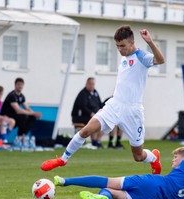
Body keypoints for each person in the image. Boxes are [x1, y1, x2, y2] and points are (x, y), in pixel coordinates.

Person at [41, 25, 165, 173]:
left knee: (138, 156)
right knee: (86, 130)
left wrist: (150, 42)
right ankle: (62, 159)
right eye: (117, 46)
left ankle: (153, 158)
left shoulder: (141, 57)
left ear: (132, 43)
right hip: (114, 105)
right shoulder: (123, 59)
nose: (120, 49)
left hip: (133, 111)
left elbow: (161, 60)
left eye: (122, 46)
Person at [53, 147, 184, 199]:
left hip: (152, 184)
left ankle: (65, 181)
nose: (173, 160)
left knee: (108, 181)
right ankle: (104, 198)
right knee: (109, 191)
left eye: (175, 157)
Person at [0, 77, 41, 144]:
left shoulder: (22, 96)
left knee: (32, 117)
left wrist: (34, 114)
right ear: (15, 85)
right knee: (23, 116)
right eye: (18, 84)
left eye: (21, 85)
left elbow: (27, 108)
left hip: (15, 116)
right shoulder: (12, 95)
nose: (20, 86)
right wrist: (33, 113)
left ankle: (23, 136)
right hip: (8, 115)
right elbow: (18, 110)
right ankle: (19, 137)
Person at [71, 77, 104, 148]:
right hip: (80, 117)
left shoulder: (95, 92)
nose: (91, 86)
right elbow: (83, 107)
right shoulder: (82, 94)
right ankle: (94, 141)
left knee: (105, 120)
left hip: (93, 115)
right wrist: (91, 113)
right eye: (90, 84)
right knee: (96, 121)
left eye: (93, 84)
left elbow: (99, 104)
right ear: (86, 84)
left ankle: (97, 141)